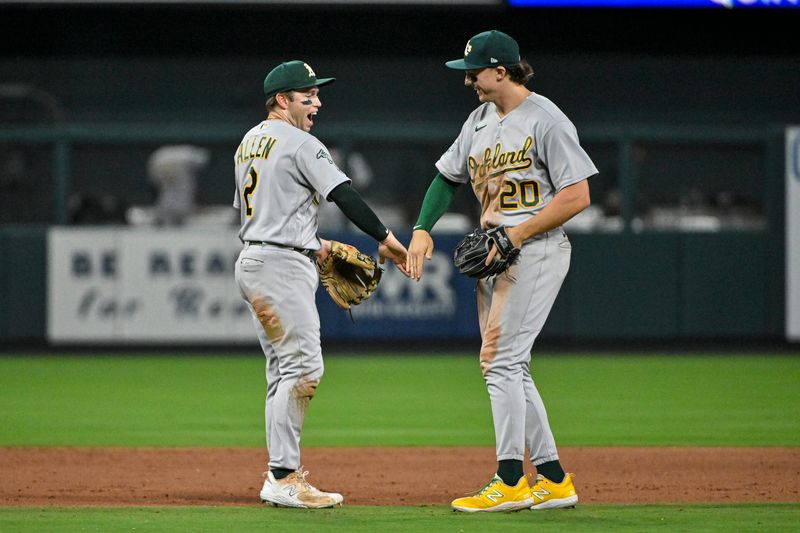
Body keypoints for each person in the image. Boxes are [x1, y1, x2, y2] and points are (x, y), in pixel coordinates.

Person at [408, 30, 598, 513]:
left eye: (475, 71)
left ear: (502, 70)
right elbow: (446, 178)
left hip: (535, 249)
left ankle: (510, 480)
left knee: (499, 363)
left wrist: (515, 235)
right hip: (494, 252)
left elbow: (577, 195)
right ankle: (553, 479)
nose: (469, 79)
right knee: (512, 366)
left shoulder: (547, 119)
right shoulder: (477, 120)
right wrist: (422, 227)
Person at [233, 60, 409, 509]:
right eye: (307, 94)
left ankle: (280, 473)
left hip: (257, 258)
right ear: (282, 100)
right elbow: (344, 195)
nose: (317, 101)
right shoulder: (299, 141)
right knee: (305, 369)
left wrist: (315, 243)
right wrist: (389, 241)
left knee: (282, 372)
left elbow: (265, 212)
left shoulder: (248, 142)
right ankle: (283, 477)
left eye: (316, 93)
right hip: (280, 266)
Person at [147, 144, 210, 226]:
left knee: (169, 192)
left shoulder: (182, 152)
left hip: (158, 164)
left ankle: (164, 216)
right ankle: (173, 217)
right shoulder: (189, 155)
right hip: (165, 166)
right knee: (179, 192)